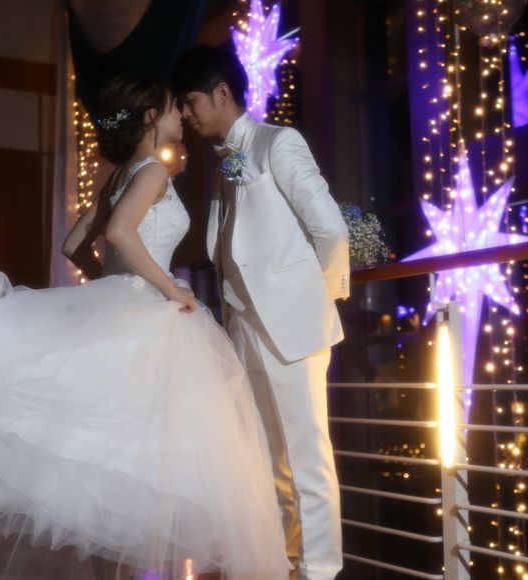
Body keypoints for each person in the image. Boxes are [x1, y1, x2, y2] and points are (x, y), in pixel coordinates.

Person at [0, 76, 290, 580]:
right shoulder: (151, 170)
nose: (181, 116)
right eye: (173, 108)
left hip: (120, 308)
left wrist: (110, 284)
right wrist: (167, 287)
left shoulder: (120, 176)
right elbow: (118, 232)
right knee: (135, 463)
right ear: (152, 117)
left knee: (111, 462)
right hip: (145, 317)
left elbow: (73, 245)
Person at [172, 46, 350, 580]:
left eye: (190, 101)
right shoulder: (224, 161)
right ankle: (286, 563)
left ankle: (320, 570)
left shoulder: (278, 142)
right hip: (244, 326)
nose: (185, 113)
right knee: (270, 458)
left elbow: (331, 229)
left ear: (221, 93)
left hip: (292, 324)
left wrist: (316, 296)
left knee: (307, 457)